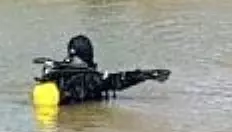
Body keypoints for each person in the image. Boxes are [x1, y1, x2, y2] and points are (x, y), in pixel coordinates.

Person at [32, 34, 171, 106]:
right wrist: (147, 75)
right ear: (88, 54)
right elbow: (118, 81)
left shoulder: (54, 72)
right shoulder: (90, 78)